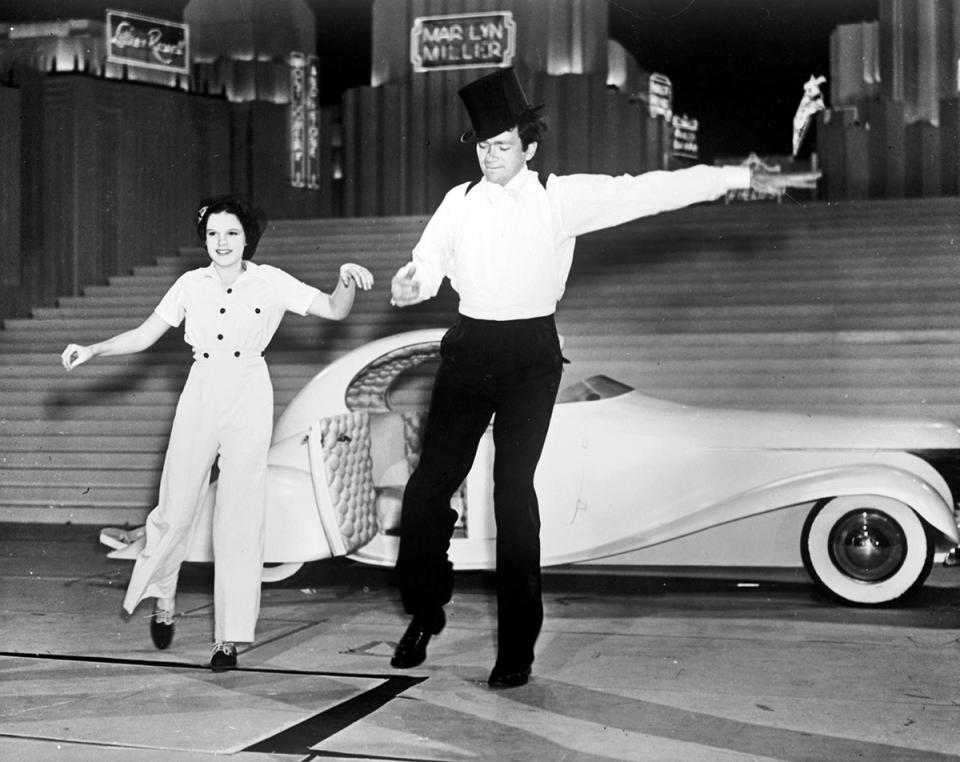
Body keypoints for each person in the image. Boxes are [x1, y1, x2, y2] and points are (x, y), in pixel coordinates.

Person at [388, 67, 810, 688]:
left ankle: (517, 650)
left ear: (528, 147)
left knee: (513, 494)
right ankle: (426, 609)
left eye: (501, 145)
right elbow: (428, 262)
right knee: (427, 493)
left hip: (530, 355)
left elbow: (646, 190)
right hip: (469, 349)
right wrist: (412, 281)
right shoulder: (459, 203)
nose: (490, 156)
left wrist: (738, 175)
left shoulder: (561, 198)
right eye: (482, 146)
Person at [61, 195, 374, 671]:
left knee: (240, 514)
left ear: (247, 237)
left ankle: (228, 638)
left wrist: (345, 279)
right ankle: (163, 595)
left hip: (249, 389)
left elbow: (333, 309)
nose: (221, 242)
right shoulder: (190, 285)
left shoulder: (270, 281)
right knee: (176, 504)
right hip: (201, 388)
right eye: (212, 234)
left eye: (231, 233)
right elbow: (144, 335)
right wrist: (93, 350)